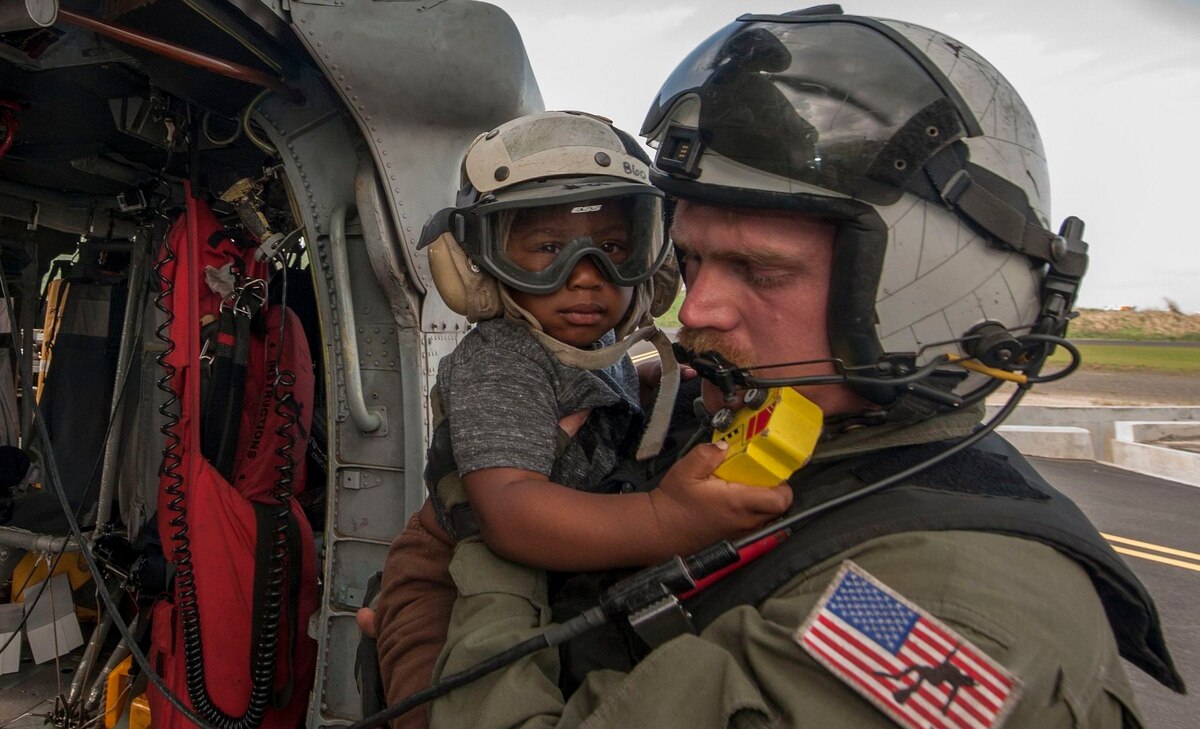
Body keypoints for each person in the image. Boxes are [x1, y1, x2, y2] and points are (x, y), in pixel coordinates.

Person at [424, 8, 1185, 729]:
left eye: (760, 269)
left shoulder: (945, 620)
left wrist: (472, 571)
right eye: (691, 259)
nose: (695, 311)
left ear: (919, 296)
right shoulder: (779, 428)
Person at [369, 110, 792, 729]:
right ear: (479, 266)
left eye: (614, 249)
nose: (588, 278)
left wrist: (655, 377)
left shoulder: (592, 345)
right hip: (443, 574)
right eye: (547, 250)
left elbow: (602, 377)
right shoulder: (504, 362)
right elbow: (510, 515)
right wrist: (667, 520)